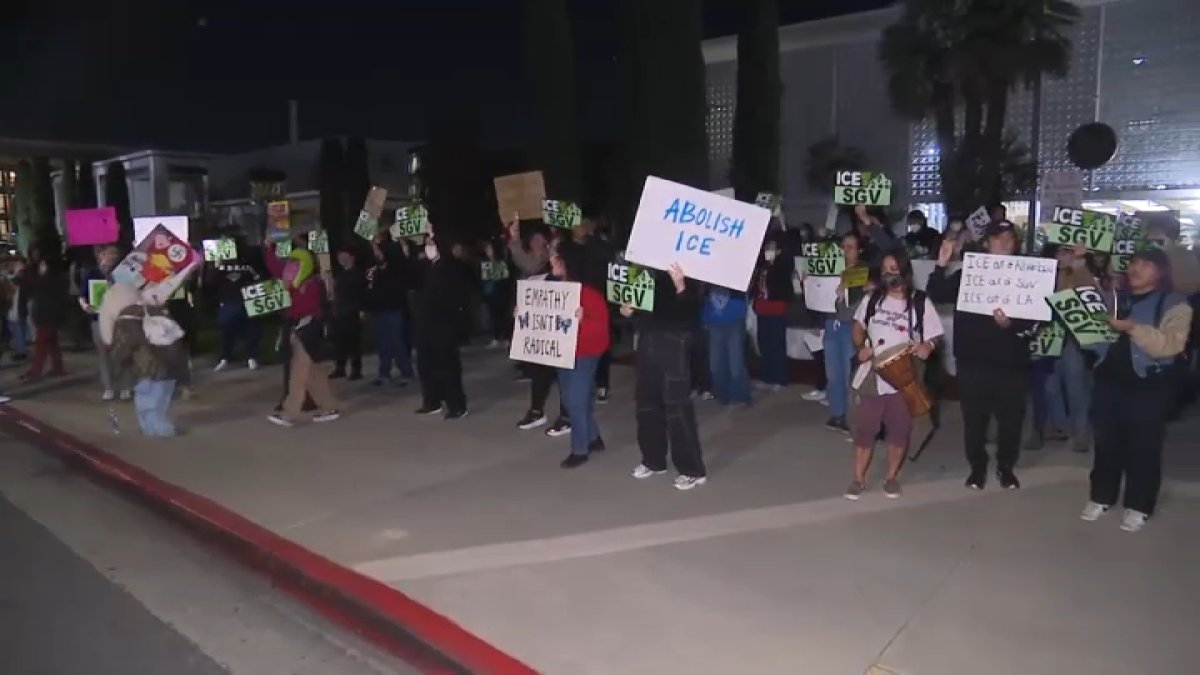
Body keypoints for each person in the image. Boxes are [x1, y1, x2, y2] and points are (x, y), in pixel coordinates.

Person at [1081, 248, 1192, 532]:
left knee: (1144, 448)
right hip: (1108, 382)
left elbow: (1170, 345)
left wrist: (1133, 328)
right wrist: (1085, 333)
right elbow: (1098, 341)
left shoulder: (1174, 303)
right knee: (1106, 444)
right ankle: (1101, 496)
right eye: (1132, 263)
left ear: (1160, 270)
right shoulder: (1115, 297)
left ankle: (1138, 505)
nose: (1135, 268)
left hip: (1148, 385)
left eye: (1144, 264)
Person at [928, 220, 1033, 490]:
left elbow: (1038, 319)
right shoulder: (968, 274)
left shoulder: (1027, 275)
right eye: (997, 239)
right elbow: (937, 294)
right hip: (973, 362)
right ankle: (977, 468)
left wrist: (1012, 325)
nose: (1004, 244)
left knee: (1011, 421)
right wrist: (941, 265)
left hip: (1012, 363)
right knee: (974, 420)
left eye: (1009, 239)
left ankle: (1006, 467)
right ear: (986, 243)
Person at [845, 250, 942, 499]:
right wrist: (861, 348)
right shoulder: (872, 299)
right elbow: (858, 327)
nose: (890, 273)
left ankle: (891, 477)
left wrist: (927, 346)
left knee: (899, 431)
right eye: (886, 268)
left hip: (904, 379)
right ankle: (857, 479)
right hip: (873, 378)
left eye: (894, 268)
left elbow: (935, 334)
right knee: (865, 430)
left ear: (904, 271)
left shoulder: (919, 302)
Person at [621, 263, 706, 490]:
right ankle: (653, 459)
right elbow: (639, 301)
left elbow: (692, 310)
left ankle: (692, 469)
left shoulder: (687, 264)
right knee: (646, 403)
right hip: (647, 336)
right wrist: (628, 310)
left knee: (676, 405)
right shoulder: (644, 267)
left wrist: (680, 286)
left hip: (675, 339)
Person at [264, 243, 340, 427]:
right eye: (290, 262)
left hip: (307, 329)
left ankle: (290, 413)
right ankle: (328, 407)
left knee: (298, 373)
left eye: (295, 263)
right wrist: (268, 249)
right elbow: (275, 267)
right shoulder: (295, 283)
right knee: (312, 374)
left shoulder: (311, 285)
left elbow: (303, 308)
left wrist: (289, 291)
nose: (290, 267)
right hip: (299, 330)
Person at [551, 240, 610, 468]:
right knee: (572, 399)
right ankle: (593, 438)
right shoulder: (551, 289)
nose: (551, 261)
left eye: (555, 257)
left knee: (575, 401)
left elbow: (602, 331)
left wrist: (585, 320)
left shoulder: (589, 294)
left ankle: (580, 449)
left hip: (584, 355)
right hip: (561, 352)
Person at [102, 281, 188, 437]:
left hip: (147, 367)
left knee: (147, 404)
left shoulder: (127, 317)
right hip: (170, 363)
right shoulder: (153, 309)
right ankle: (152, 429)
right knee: (158, 403)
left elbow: (125, 345)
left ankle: (161, 432)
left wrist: (116, 365)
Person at [1048, 243, 1099, 453]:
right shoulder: (1046, 274)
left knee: (1075, 385)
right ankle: (1060, 426)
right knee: (1050, 385)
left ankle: (1081, 431)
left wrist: (1078, 264)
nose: (1063, 256)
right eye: (1060, 252)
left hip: (1072, 337)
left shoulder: (1080, 273)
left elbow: (1088, 292)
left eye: (1067, 252)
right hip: (1048, 336)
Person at [414, 234, 470, 419]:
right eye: (427, 244)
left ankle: (457, 405)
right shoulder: (426, 266)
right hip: (426, 323)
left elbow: (456, 296)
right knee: (426, 364)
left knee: (447, 365)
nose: (428, 247)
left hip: (445, 323)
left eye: (432, 243)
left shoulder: (451, 267)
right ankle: (432, 400)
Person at [822, 232, 871, 433]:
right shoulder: (830, 268)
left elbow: (863, 305)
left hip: (850, 326)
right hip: (831, 324)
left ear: (859, 250)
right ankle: (837, 413)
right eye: (844, 246)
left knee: (849, 373)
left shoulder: (863, 273)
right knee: (833, 373)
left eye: (851, 246)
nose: (846, 250)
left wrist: (849, 291)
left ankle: (852, 416)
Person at [79, 245, 129, 401]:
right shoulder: (91, 273)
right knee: (103, 354)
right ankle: (108, 387)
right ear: (102, 255)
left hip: (118, 319)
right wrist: (86, 306)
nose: (112, 257)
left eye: (115, 254)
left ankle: (125, 386)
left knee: (121, 353)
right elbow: (82, 296)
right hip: (98, 319)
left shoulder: (121, 273)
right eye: (109, 254)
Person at [365, 238, 414, 385]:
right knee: (383, 343)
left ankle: (406, 372)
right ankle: (384, 373)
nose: (376, 253)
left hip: (394, 309)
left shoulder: (396, 268)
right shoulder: (376, 270)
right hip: (380, 310)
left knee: (397, 342)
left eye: (377, 250)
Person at [752, 235, 794, 391]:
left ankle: (779, 378)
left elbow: (783, 289)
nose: (768, 252)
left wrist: (773, 265)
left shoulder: (782, 268)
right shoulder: (761, 268)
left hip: (776, 309)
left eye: (772, 249)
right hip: (762, 308)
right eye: (766, 248)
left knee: (776, 345)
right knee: (764, 344)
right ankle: (767, 377)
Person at [208, 252, 262, 372]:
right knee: (226, 332)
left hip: (246, 303)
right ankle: (225, 358)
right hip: (227, 304)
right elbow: (210, 282)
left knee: (251, 331)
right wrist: (217, 266)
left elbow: (258, 280)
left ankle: (252, 357)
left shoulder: (247, 265)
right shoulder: (220, 267)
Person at [20, 251, 68, 381]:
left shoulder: (50, 278)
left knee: (42, 343)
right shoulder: (46, 276)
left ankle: (36, 371)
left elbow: (47, 291)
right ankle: (58, 368)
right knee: (52, 342)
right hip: (46, 312)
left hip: (47, 313)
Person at [702, 281, 752, 406]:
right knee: (716, 363)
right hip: (714, 321)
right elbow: (703, 297)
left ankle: (739, 395)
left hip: (733, 320)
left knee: (735, 362)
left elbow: (744, 293)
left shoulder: (735, 273)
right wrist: (704, 317)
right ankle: (722, 394)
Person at [328, 247, 367, 380]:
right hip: (339, 312)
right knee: (339, 342)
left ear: (352, 257)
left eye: (344, 256)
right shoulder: (340, 274)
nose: (341, 259)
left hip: (351, 312)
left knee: (353, 342)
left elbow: (361, 293)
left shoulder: (357, 273)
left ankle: (356, 370)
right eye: (339, 257)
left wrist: (361, 309)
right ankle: (340, 367)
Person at [480, 238, 515, 349]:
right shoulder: (485, 263)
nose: (487, 251)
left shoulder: (503, 263)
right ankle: (497, 337)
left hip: (501, 295)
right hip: (490, 295)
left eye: (489, 248)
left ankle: (504, 337)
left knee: (503, 316)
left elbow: (504, 281)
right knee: (494, 316)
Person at [4, 256, 29, 362]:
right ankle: (20, 349)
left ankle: (21, 351)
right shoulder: (18, 274)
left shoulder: (22, 274)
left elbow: (15, 283)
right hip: (15, 305)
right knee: (15, 326)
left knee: (18, 327)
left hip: (19, 305)